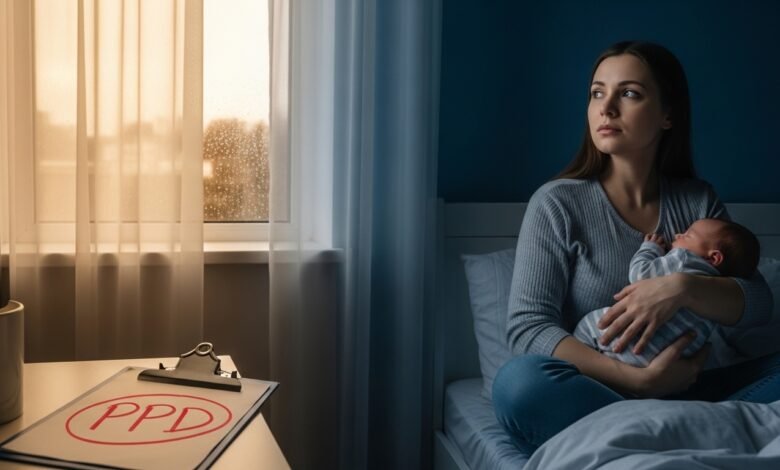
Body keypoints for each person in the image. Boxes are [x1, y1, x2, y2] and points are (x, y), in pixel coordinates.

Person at [491, 41, 779, 455]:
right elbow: (528, 328)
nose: (606, 108)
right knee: (518, 385)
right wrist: (640, 381)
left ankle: (665, 436)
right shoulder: (557, 203)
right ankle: (693, 434)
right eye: (597, 93)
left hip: (701, 390)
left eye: (629, 93)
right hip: (602, 395)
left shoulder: (698, 202)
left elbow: (757, 303)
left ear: (667, 115)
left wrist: (679, 288)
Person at [574, 219, 761, 367]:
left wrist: (650, 249)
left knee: (588, 325)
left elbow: (639, 274)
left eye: (688, 235)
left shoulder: (683, 259)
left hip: (628, 343)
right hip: (663, 361)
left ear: (713, 257)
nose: (678, 234)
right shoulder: (719, 293)